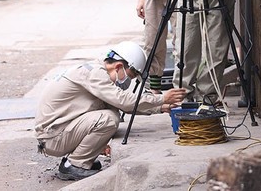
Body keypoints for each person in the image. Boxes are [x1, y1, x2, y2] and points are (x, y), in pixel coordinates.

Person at [34, 41, 186, 181]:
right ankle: (75, 165)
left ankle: (75, 160)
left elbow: (119, 104)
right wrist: (162, 98)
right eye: (131, 76)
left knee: (110, 112)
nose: (128, 81)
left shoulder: (95, 70)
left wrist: (160, 107)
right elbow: (124, 102)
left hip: (55, 133)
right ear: (119, 66)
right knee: (109, 119)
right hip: (53, 138)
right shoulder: (94, 74)